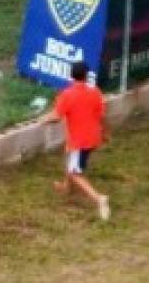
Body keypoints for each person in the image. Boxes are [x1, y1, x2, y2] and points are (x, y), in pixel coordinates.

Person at [44, 61, 110, 220]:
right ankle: (66, 187)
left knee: (75, 172)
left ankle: (99, 198)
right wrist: (105, 132)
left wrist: (44, 120)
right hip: (93, 137)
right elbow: (101, 115)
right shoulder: (95, 92)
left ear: (71, 75)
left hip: (79, 141)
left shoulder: (67, 95)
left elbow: (56, 117)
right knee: (72, 159)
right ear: (87, 76)